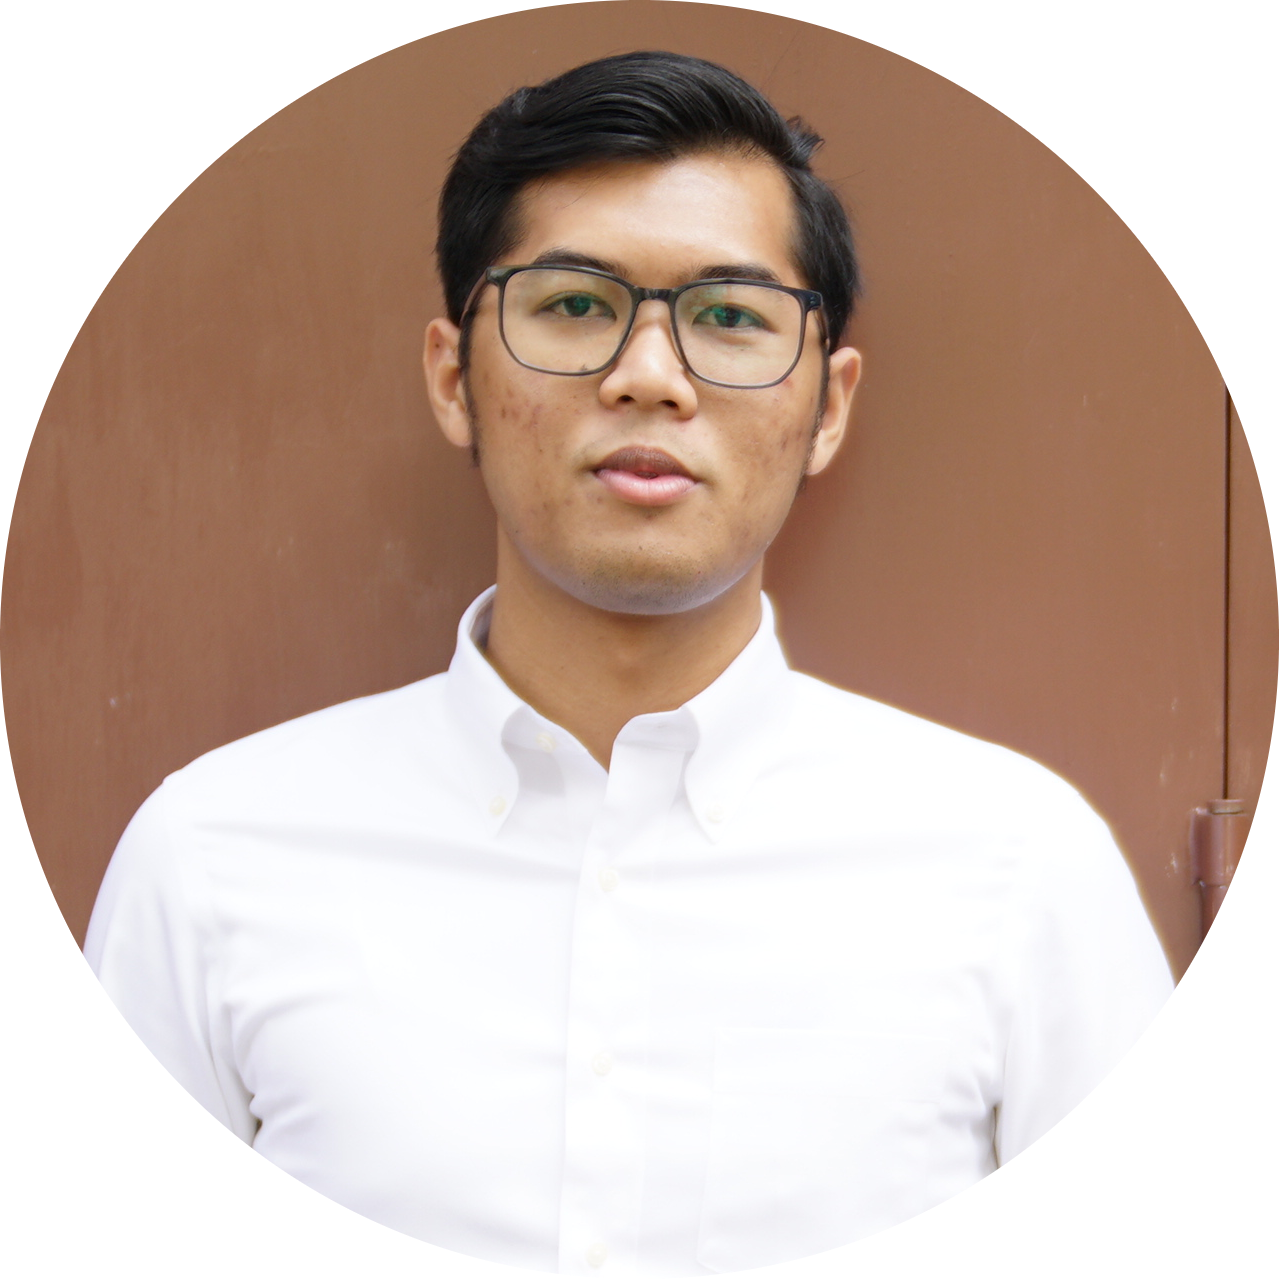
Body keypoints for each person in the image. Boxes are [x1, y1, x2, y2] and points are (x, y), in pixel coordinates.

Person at [85, 51, 1174, 1275]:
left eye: (730, 317)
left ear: (827, 408)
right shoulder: (211, 858)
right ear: (452, 377)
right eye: (573, 305)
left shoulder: (1020, 868)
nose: (648, 378)